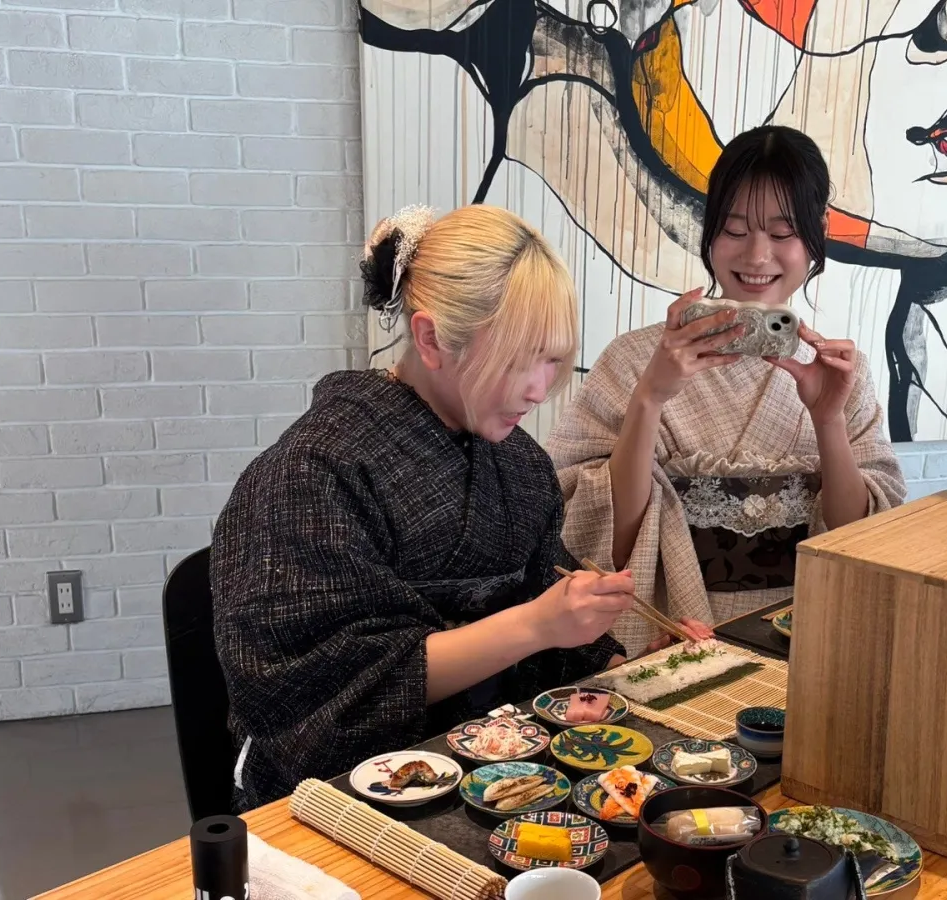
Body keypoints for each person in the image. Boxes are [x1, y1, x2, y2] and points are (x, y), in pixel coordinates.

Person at [212, 204, 656, 811]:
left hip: (502, 768)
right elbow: (317, 693)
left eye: (553, 359)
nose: (538, 388)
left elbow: (547, 599)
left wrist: (620, 658)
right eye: (519, 359)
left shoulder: (520, 465)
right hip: (352, 792)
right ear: (430, 339)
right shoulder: (310, 472)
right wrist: (535, 624)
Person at [548, 126, 907, 655]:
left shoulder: (837, 371)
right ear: (709, 231)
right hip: (674, 632)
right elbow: (603, 538)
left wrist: (828, 418)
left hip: (802, 633)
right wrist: (650, 397)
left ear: (817, 235)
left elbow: (857, 541)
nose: (758, 256)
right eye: (735, 229)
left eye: (783, 232)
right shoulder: (632, 361)